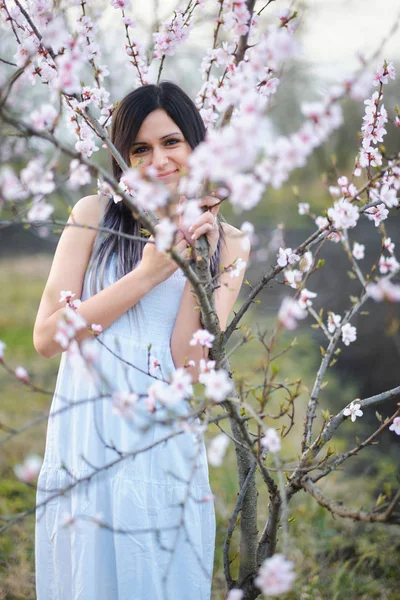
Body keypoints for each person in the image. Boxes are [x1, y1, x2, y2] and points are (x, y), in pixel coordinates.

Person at [33, 81, 250, 600]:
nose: (159, 160)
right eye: (140, 149)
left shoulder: (233, 243)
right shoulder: (94, 214)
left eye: (172, 142)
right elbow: (46, 337)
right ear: (123, 157)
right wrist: (148, 275)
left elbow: (188, 365)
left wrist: (203, 261)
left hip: (161, 436)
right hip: (87, 429)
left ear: (197, 144)